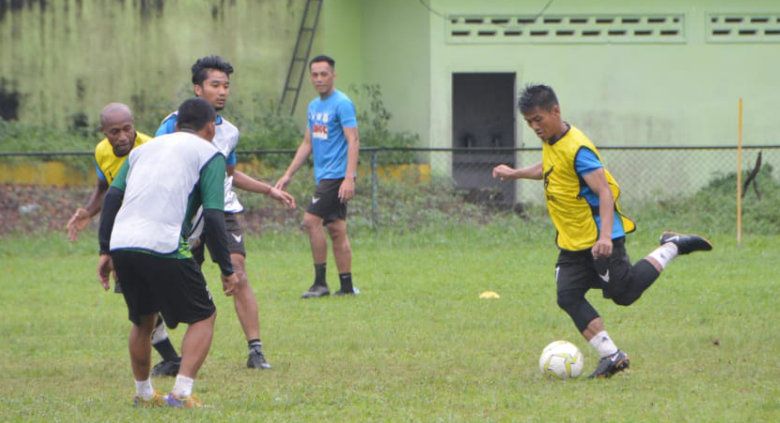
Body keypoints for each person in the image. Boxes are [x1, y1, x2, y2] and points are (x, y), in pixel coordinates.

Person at [492, 84, 712, 378]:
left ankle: (672, 245)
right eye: (529, 122)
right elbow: (550, 167)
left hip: (598, 238)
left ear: (555, 111)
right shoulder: (553, 142)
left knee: (624, 293)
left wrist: (606, 237)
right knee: (567, 295)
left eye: (538, 119)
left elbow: (604, 192)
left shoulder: (578, 148)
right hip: (572, 242)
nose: (534, 127)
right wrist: (516, 172)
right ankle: (612, 355)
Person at [156, 55, 295, 369]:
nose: (222, 91)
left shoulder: (229, 132)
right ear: (197, 88)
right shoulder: (172, 124)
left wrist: (268, 189)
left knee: (237, 270)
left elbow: (228, 175)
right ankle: (173, 355)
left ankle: (256, 350)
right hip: (185, 215)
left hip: (223, 208)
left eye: (226, 86)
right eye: (215, 85)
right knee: (178, 283)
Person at [97, 97, 238, 407]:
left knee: (142, 321)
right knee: (204, 316)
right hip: (165, 244)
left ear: (176, 125)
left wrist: (105, 250)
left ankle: (144, 394)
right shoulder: (210, 153)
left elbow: (111, 199)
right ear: (210, 128)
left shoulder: (142, 151)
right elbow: (215, 216)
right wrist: (227, 269)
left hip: (123, 243)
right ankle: (181, 394)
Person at [66, 103, 181, 377]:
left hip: (152, 233)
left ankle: (173, 352)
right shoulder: (101, 151)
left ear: (135, 126)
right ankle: (172, 358)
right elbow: (104, 189)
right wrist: (88, 212)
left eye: (127, 129)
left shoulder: (153, 148)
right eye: (114, 131)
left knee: (148, 301)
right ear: (103, 132)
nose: (122, 137)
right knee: (138, 303)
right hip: (123, 236)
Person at [275, 54, 360, 299]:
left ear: (333, 75)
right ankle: (346, 287)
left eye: (324, 74)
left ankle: (320, 284)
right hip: (324, 176)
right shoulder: (313, 107)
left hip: (336, 177)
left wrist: (349, 178)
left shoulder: (342, 103)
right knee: (336, 228)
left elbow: (353, 140)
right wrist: (288, 174)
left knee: (311, 221)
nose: (319, 78)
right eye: (315, 74)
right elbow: (307, 143)